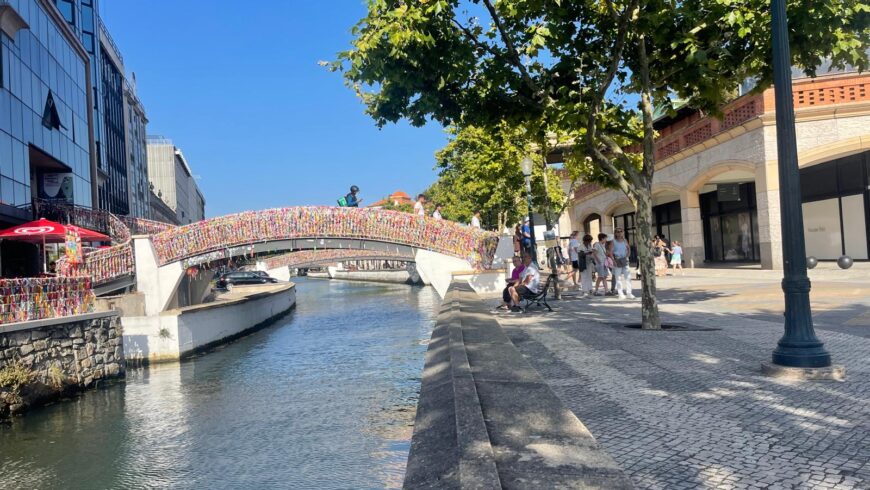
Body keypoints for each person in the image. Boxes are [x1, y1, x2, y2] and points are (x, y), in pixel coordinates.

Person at [612, 228, 634, 299]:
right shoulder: (613, 242)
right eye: (617, 232)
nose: (619, 233)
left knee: (628, 277)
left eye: (621, 231)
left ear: (623, 232)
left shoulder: (625, 240)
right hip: (617, 260)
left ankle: (629, 293)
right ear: (615, 233)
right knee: (618, 278)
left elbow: (628, 248)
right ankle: (620, 293)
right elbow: (610, 252)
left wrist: (628, 255)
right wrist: (613, 261)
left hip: (625, 260)